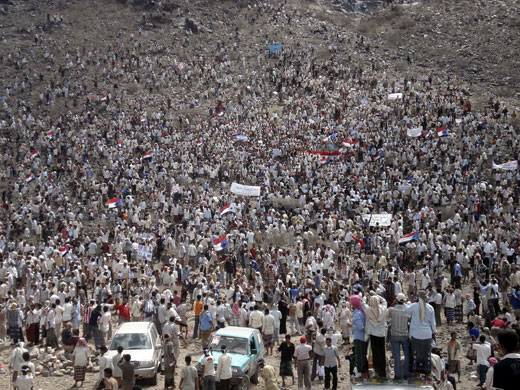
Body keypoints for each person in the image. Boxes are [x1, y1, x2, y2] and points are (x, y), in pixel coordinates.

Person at [406, 290, 436, 376]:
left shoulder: (414, 306)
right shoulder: (430, 308)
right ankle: (427, 377)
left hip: (416, 335)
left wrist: (409, 301)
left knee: (416, 356)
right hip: (427, 335)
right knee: (427, 356)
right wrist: (434, 333)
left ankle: (417, 377)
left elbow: (406, 310)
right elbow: (433, 323)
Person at [388, 293, 411, 380]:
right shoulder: (407, 310)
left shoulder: (392, 310)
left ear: (396, 300)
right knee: (406, 355)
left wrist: (393, 303)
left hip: (394, 335)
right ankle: (405, 374)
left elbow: (388, 316)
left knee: (396, 356)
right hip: (404, 335)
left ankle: (397, 375)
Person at [365, 294, 388, 378]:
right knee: (382, 353)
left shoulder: (368, 309)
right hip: (381, 334)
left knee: (375, 353)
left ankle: (377, 371)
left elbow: (363, 303)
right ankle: (383, 372)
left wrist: (367, 296)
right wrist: (377, 295)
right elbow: (384, 301)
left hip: (373, 334)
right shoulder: (383, 308)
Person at [351, 294, 368, 378]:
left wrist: (351, 325)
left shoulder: (358, 313)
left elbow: (361, 327)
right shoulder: (360, 311)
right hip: (361, 337)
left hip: (359, 337)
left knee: (360, 356)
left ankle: (362, 375)